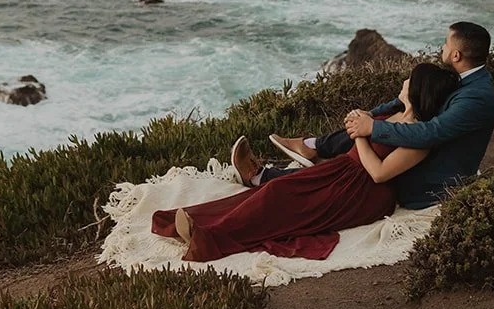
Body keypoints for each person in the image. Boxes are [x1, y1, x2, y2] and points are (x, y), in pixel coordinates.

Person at [150, 63, 460, 262]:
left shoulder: (420, 139)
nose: (404, 80)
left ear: (418, 91)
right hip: (343, 172)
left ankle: (209, 238)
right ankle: (196, 221)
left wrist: (361, 135)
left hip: (362, 193)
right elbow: (366, 134)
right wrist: (361, 123)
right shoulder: (395, 113)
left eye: (411, 79)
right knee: (278, 188)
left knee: (279, 199)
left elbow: (379, 174)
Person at [245, 20, 494, 211]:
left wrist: (370, 129)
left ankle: (268, 175)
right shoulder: (463, 78)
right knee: (361, 148)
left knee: (349, 173)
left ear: (456, 55)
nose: (442, 46)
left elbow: (430, 132)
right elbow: (412, 101)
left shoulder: (476, 97)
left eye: (446, 43)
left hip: (426, 181)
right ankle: (312, 147)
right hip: (421, 158)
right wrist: (371, 116)